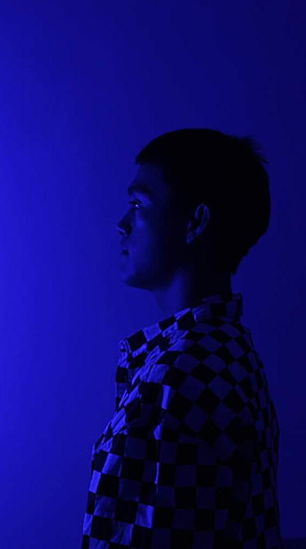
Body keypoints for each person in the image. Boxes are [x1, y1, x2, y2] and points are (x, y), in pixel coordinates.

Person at [81, 128, 283, 548]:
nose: (122, 224)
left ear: (195, 222)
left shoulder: (178, 379)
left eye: (138, 204)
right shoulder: (228, 350)